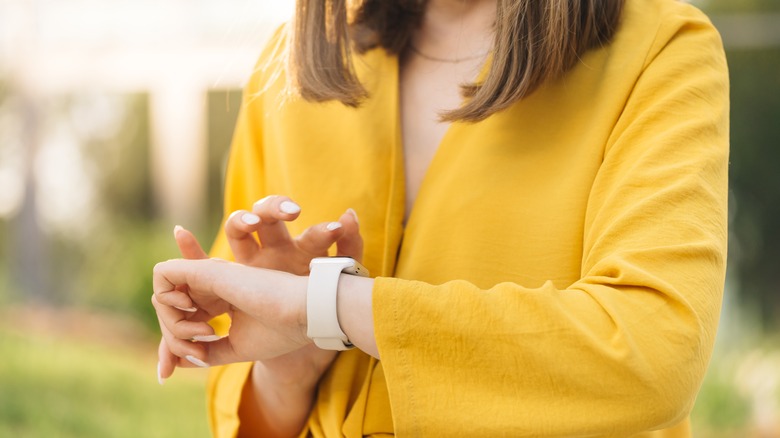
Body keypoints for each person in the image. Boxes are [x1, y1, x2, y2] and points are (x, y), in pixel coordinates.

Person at [151, 0, 729, 436]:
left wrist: (327, 306)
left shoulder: (660, 48)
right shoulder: (289, 69)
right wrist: (289, 367)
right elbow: (247, 415)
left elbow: (654, 350)